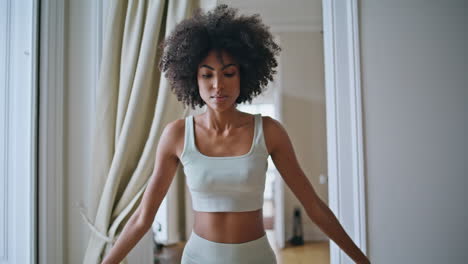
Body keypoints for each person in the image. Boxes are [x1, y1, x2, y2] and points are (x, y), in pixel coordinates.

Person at [102, 4, 370, 264]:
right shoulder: (176, 135)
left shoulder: (269, 131)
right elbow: (142, 218)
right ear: (192, 79)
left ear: (243, 75)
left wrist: (361, 260)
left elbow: (314, 206)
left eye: (228, 73)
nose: (218, 85)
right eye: (207, 75)